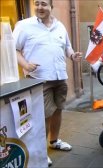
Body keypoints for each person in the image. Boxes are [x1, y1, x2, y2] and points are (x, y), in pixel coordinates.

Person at [12, 0, 82, 166]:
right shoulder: (24, 25)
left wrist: (72, 56)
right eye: (37, 3)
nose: (39, 7)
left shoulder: (60, 26)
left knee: (58, 110)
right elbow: (13, 49)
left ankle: (54, 141)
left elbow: (67, 47)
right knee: (42, 116)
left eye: (43, 4)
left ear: (51, 7)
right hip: (39, 80)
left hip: (60, 77)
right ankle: (41, 152)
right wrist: (26, 65)